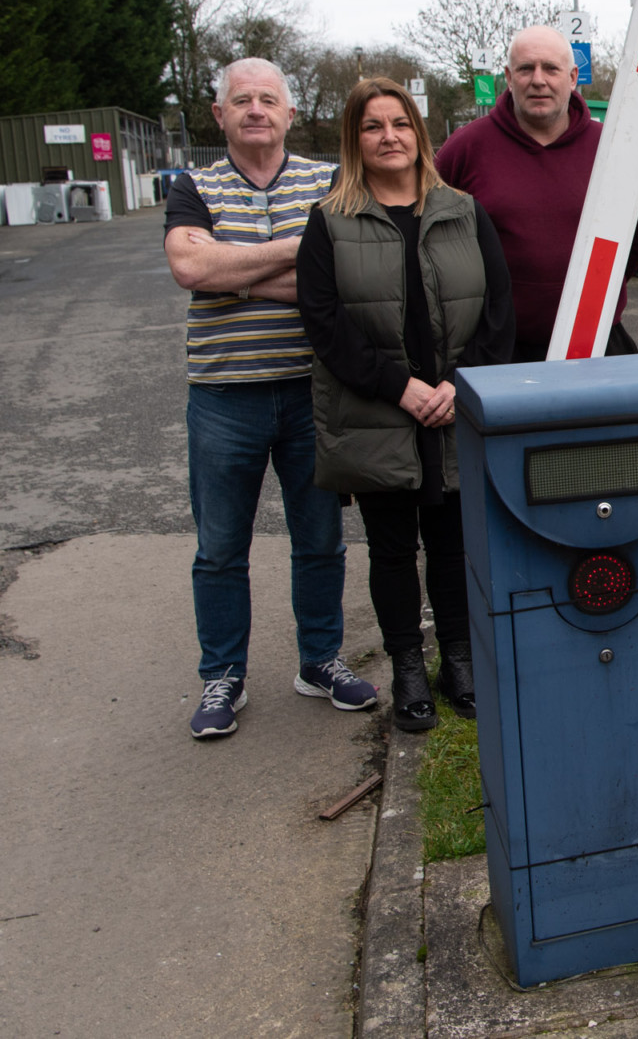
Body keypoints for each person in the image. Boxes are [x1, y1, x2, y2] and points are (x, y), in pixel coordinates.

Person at [163, 56, 376, 739]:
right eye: (241, 100)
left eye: (268, 99)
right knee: (220, 546)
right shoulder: (192, 185)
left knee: (320, 538)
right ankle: (222, 676)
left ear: (289, 112)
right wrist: (295, 250)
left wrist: (235, 273)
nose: (256, 109)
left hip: (313, 393)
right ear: (219, 114)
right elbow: (190, 266)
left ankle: (320, 660)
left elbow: (345, 276)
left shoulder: (331, 180)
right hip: (224, 396)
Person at [296, 78, 514, 731]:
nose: (387, 136)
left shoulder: (464, 212)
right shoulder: (330, 221)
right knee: (391, 551)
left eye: (399, 124)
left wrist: (459, 383)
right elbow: (324, 324)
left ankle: (459, 661)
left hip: (452, 412)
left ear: (418, 134)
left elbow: (499, 313)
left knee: (452, 546)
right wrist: (401, 387)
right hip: (377, 416)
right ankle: (408, 669)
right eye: (372, 126)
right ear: (354, 140)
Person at [435, 25, 638, 362]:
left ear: (572, 77)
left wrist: (597, 288)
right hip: (494, 350)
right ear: (509, 77)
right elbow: (431, 234)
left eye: (550, 68)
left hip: (595, 344)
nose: (538, 80)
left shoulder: (612, 147)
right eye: (526, 68)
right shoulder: (466, 148)